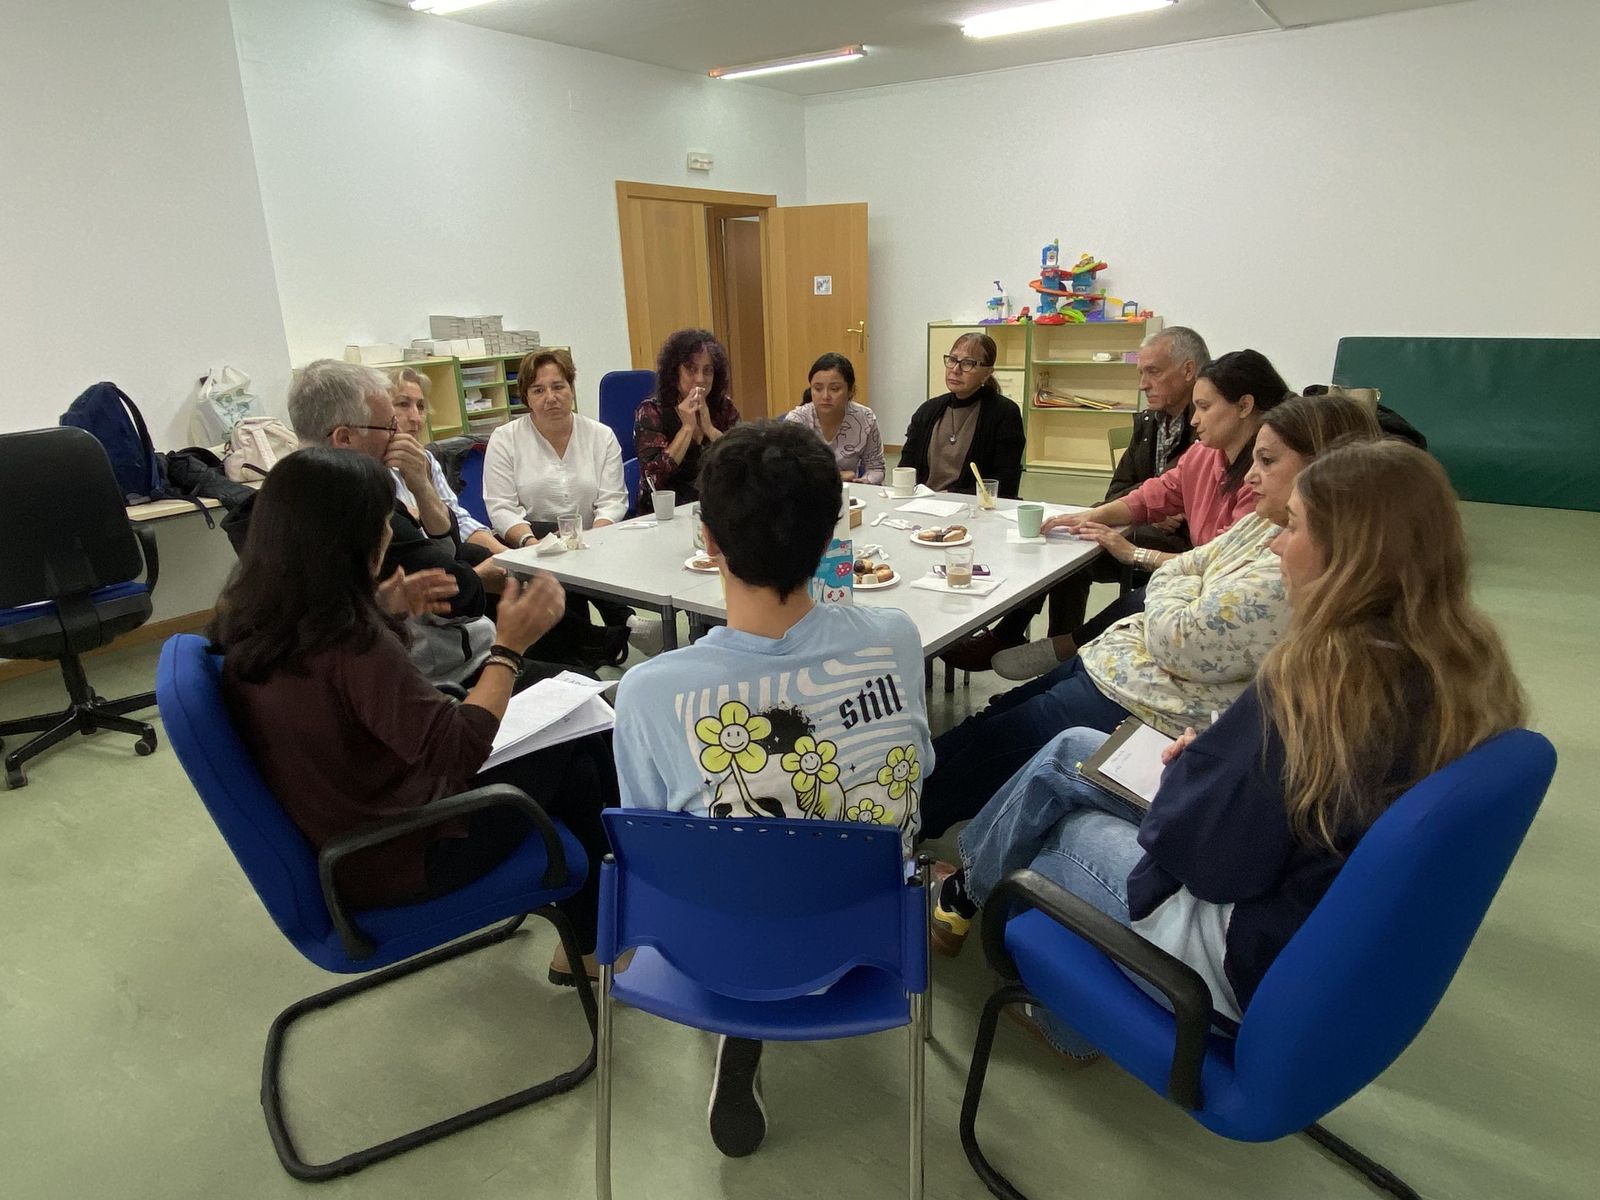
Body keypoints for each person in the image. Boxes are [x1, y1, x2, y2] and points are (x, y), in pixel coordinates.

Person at [928, 437, 1526, 1058]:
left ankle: (1045, 991)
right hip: (1320, 931)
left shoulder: (1312, 685)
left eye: (1293, 528)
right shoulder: (1462, 669)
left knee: (1051, 842)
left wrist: (1194, 774)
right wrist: (1217, 765)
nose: (1273, 544)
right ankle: (979, 902)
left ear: (1345, 556)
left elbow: (1205, 859)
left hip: (1236, 951)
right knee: (1079, 747)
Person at [613, 419, 932, 1159]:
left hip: (723, 948)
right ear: (832, 539)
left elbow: (651, 851)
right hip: (873, 935)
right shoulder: (897, 638)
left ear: (709, 542)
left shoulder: (651, 694)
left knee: (743, 857)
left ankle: (744, 1023)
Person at [211, 447, 618, 981]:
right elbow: (456, 753)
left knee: (568, 722)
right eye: (382, 522)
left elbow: (337, 687)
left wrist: (380, 607)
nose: (388, 533)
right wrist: (509, 647)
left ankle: (593, 932)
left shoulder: (255, 616)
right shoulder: (350, 641)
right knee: (583, 741)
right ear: (348, 541)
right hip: (401, 851)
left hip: (354, 830)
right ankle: (602, 930)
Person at [918, 393, 1382, 843]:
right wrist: (1184, 579)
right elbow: (1189, 562)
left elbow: (1179, 635)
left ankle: (894, 830)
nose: (1251, 478)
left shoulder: (1294, 566)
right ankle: (908, 797)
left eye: (1267, 462)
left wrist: (1173, 580)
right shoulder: (1268, 520)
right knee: (993, 719)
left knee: (993, 746)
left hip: (1147, 705)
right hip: (1121, 666)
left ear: (1323, 470)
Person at [988, 348, 1293, 681]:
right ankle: (1063, 654)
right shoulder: (1204, 453)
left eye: (1204, 407)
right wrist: (1092, 516)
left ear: (1245, 406)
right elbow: (1155, 493)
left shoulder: (1265, 485)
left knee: (1138, 604)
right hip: (1195, 573)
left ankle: (1067, 651)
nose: (1194, 419)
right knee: (1081, 542)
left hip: (1214, 589)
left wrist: (1136, 553)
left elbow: (1218, 566)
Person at [943, 326, 1210, 672]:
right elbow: (1119, 489)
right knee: (1065, 541)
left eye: (1153, 372)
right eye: (1141, 372)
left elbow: (1193, 502)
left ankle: (1051, 649)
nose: (1143, 384)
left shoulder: (1207, 430)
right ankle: (1045, 651)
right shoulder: (1150, 422)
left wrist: (1155, 506)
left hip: (1178, 549)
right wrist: (1150, 507)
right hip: (1140, 530)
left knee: (1073, 544)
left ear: (1189, 371)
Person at [483, 348, 656, 665]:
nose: (551, 397)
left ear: (572, 389)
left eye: (558, 386)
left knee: (588, 557)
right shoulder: (505, 439)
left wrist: (594, 539)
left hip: (591, 536)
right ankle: (619, 629)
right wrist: (534, 544)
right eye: (539, 390)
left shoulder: (600, 436)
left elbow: (613, 500)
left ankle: (613, 632)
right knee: (556, 572)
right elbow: (502, 507)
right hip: (531, 538)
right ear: (527, 397)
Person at [389, 366, 511, 561]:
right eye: (403, 404)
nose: (415, 418)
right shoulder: (371, 469)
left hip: (443, 555)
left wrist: (510, 558)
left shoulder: (426, 459)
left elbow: (459, 521)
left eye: (420, 407)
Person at [899, 332, 1025, 498]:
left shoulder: (1004, 414)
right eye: (952, 360)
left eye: (968, 363)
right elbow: (906, 469)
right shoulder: (927, 411)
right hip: (923, 504)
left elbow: (1004, 486)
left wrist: (951, 495)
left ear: (987, 372)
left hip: (973, 509)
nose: (955, 370)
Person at [634, 328, 740, 516]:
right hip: (664, 514)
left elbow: (743, 464)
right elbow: (652, 478)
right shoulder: (651, 411)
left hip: (715, 510)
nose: (700, 379)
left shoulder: (724, 408)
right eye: (691, 369)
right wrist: (687, 428)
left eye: (707, 371)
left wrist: (710, 429)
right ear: (675, 372)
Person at [783, 352, 885, 484]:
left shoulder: (865, 418)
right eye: (818, 388)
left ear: (850, 391)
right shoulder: (797, 421)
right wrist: (839, 476)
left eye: (834, 389)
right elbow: (787, 470)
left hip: (851, 492)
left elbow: (876, 467)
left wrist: (864, 482)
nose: (825, 396)